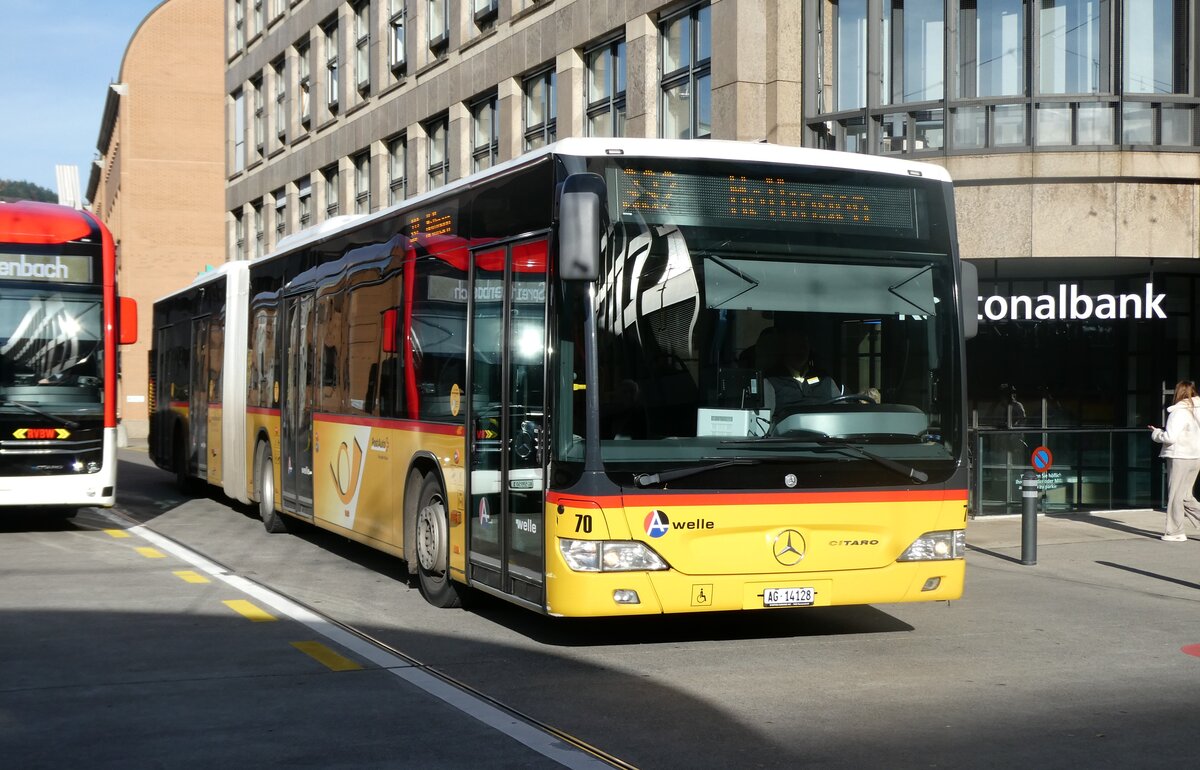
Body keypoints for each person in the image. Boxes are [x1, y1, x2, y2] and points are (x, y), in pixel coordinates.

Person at [1148, 380, 1200, 541]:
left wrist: (1157, 433)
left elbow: (1170, 437)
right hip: (1196, 456)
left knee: (1175, 496)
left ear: (1178, 393)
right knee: (1185, 496)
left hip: (1179, 456)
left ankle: (1175, 532)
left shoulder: (1178, 412)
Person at [762, 325, 840, 415]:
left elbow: (841, 411)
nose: (801, 351)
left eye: (804, 346)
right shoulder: (771, 380)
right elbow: (765, 419)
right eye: (795, 346)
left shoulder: (825, 378)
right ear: (785, 348)